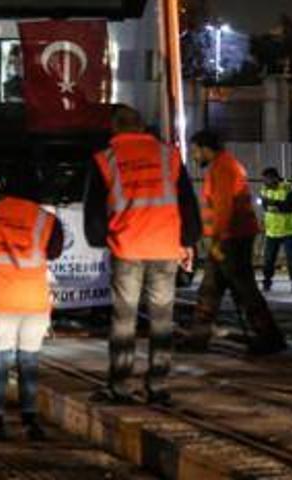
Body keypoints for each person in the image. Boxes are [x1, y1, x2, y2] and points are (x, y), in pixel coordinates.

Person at [83, 105, 200, 405]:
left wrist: (100, 240)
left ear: (114, 129)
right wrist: (188, 241)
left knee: (124, 320)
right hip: (164, 248)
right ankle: (158, 385)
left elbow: (94, 210)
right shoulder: (168, 156)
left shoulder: (105, 159)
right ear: (142, 127)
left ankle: (120, 385)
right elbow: (187, 201)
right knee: (162, 320)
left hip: (128, 248)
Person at [183, 130, 286, 355]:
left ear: (204, 148)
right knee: (211, 289)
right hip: (231, 238)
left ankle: (269, 337)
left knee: (243, 289)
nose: (194, 156)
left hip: (230, 240)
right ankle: (199, 337)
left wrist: (217, 241)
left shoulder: (223, 168)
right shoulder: (225, 166)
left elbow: (223, 208)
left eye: (195, 151)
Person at [0, 191, 63, 441]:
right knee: (29, 362)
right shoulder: (45, 219)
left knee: (0, 360)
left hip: (1, 298)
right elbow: (54, 252)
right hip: (32, 301)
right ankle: (29, 421)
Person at [259, 167, 292, 294]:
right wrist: (277, 205)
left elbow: (290, 207)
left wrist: (274, 204)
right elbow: (264, 205)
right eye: (264, 180)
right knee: (268, 259)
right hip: (272, 231)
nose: (265, 182)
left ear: (275, 178)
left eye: (268, 179)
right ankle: (267, 282)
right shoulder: (264, 190)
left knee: (291, 259)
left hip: (289, 230)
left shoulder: (291, 188)